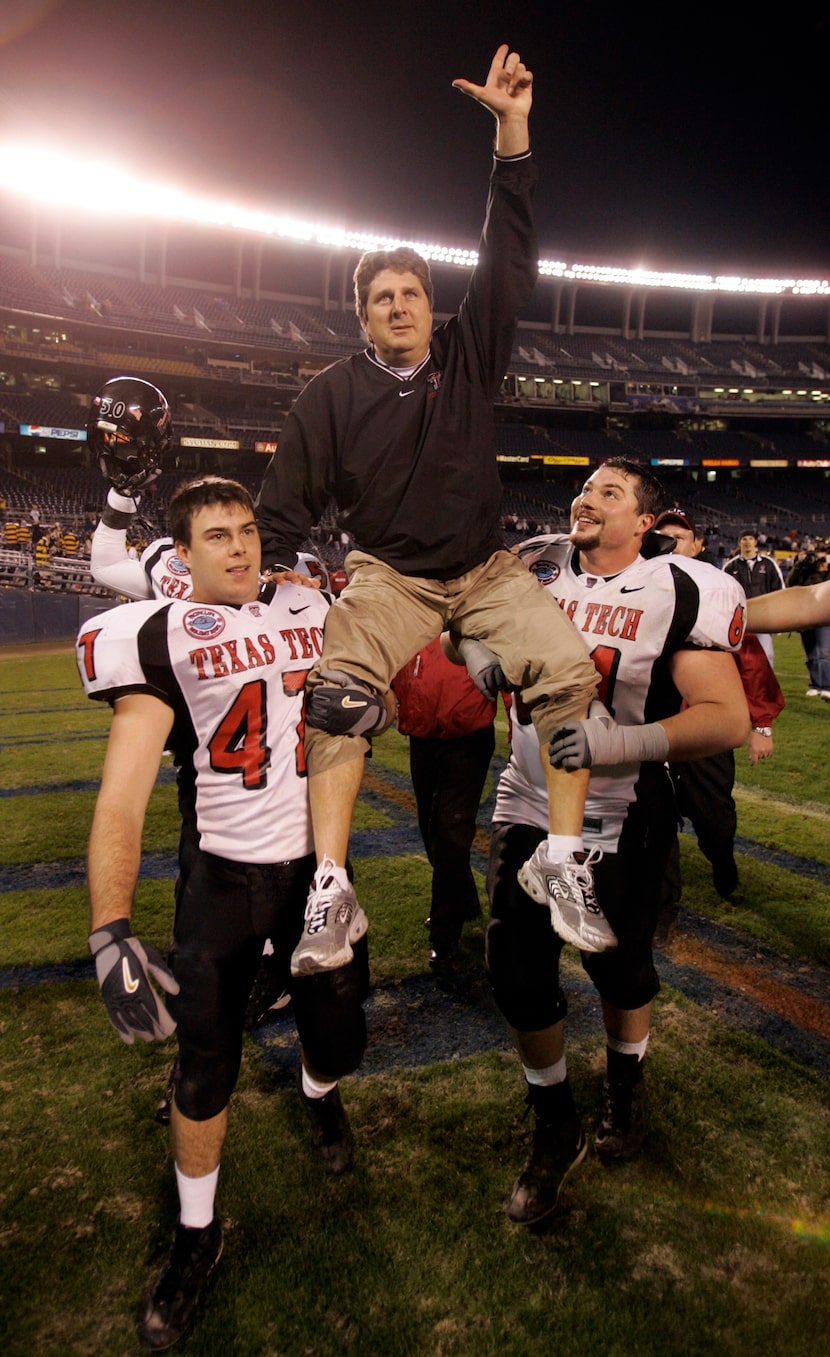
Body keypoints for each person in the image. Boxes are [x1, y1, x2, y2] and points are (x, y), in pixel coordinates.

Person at [255, 46, 602, 981]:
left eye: (411, 292)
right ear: (361, 319)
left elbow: (512, 250)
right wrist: (272, 571)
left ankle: (564, 861)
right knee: (336, 697)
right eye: (382, 298)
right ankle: (331, 885)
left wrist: (511, 133)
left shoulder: (468, 350)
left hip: (485, 569)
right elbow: (283, 499)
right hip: (390, 575)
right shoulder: (330, 393)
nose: (400, 304)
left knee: (571, 674)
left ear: (430, 303)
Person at [77, 476, 368, 1350]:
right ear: (182, 555)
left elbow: (357, 709)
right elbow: (121, 798)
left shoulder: (314, 606)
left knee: (341, 1036)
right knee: (206, 1063)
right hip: (223, 880)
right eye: (217, 535)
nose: (240, 547)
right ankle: (197, 1234)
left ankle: (319, 1093)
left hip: (319, 868)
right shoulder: (159, 637)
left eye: (248, 530)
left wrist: (369, 707)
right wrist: (109, 927)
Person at [477, 458, 748, 1226]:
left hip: (625, 811)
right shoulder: (533, 564)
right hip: (527, 800)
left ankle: (626, 1083)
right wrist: (481, 660)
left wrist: (618, 745)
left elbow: (725, 716)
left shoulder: (677, 589)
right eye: (585, 486)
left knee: (621, 970)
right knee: (516, 974)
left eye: (609, 492)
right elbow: (470, 637)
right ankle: (553, 1120)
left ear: (645, 522)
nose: (586, 498)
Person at [652, 509, 784, 917]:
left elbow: (751, 662)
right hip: (646, 730)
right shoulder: (632, 589)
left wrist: (761, 724)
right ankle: (660, 905)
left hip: (703, 728)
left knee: (713, 818)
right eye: (664, 537)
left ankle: (722, 861)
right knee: (651, 820)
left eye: (681, 537)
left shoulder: (714, 593)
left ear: (698, 545)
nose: (673, 544)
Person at [391, 636, 496, 967]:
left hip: (468, 731)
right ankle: (464, 900)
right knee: (430, 827)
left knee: (451, 831)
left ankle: (444, 933)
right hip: (423, 731)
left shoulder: (469, 599)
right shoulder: (408, 604)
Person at [724, 530, 784, 666]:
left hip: (763, 617)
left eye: (751, 538)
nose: (747, 542)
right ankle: (741, 686)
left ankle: (766, 686)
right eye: (744, 539)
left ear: (755, 542)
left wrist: (777, 615)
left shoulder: (769, 564)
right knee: (738, 656)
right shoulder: (730, 566)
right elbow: (724, 594)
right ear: (739, 543)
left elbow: (779, 589)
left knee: (766, 654)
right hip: (739, 618)